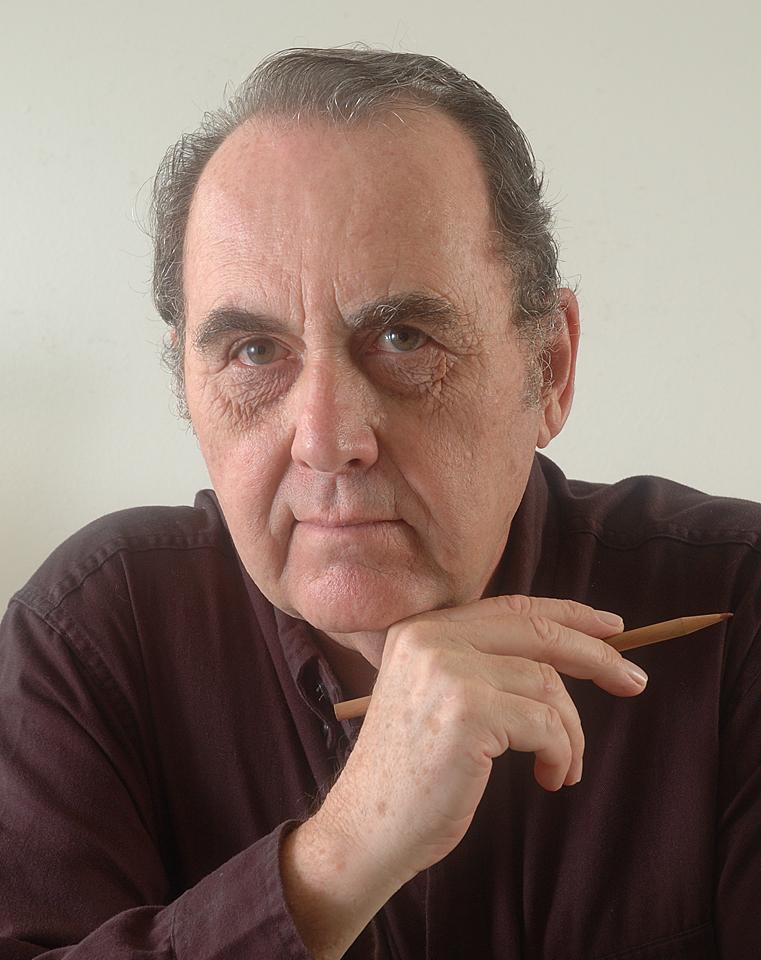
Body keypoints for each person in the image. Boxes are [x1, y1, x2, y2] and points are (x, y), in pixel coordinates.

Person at [1, 45, 759, 960]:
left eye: (404, 337)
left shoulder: (738, 607)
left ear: (549, 368)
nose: (326, 440)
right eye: (253, 353)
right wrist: (342, 855)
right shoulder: (91, 633)